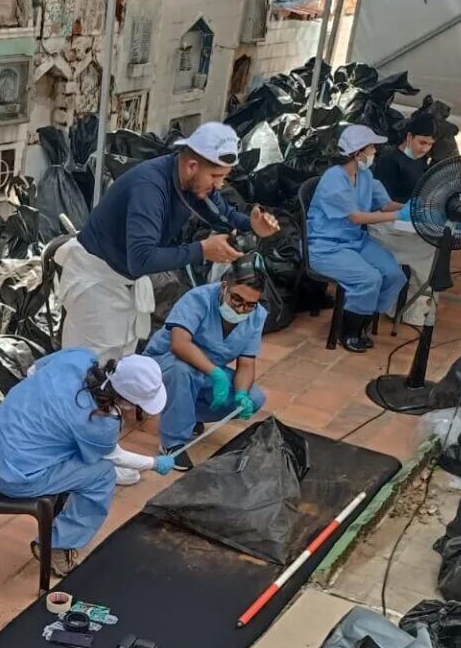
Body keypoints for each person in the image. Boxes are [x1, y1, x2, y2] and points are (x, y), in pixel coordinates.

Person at [57, 122, 281, 365]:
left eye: (223, 178)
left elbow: (224, 215)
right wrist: (202, 250)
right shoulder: (150, 189)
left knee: (120, 363)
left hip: (125, 280)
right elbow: (141, 259)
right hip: (97, 278)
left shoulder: (193, 185)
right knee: (85, 366)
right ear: (192, 165)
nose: (218, 185)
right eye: (215, 176)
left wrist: (253, 225)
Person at [0, 350, 173, 578]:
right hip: (9, 476)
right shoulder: (100, 423)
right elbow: (114, 457)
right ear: (128, 402)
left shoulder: (77, 357)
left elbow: (32, 371)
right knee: (102, 475)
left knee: (76, 450)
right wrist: (154, 463)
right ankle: (57, 545)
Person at [144, 254, 269, 467]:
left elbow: (247, 363)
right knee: (181, 371)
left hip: (206, 371)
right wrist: (216, 373)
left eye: (249, 305)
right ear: (224, 287)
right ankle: (172, 442)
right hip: (167, 362)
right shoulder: (198, 299)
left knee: (254, 397)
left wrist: (240, 393)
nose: (241, 309)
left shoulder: (257, 316)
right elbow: (179, 344)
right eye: (237, 299)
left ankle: (187, 416)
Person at [307, 125, 410, 353]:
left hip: (354, 242)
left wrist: (413, 208)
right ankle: (347, 331)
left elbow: (384, 203)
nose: (375, 150)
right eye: (371, 147)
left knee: (394, 275)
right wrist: (397, 215)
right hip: (326, 247)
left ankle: (363, 322)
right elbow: (355, 217)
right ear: (358, 152)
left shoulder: (365, 176)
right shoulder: (334, 180)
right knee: (369, 279)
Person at [371, 112, 440, 326]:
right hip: (384, 226)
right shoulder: (389, 161)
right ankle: (412, 308)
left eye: (430, 145)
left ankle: (406, 304)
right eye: (422, 142)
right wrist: (414, 209)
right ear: (408, 137)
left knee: (435, 241)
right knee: (431, 246)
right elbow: (383, 202)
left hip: (404, 221)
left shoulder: (420, 162)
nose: (425, 148)